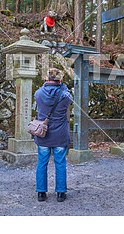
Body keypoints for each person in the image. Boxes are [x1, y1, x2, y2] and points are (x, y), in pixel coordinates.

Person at [34, 68, 73, 202]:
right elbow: (67, 93)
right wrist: (61, 85)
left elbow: (41, 93)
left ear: (46, 79)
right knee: (60, 163)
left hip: (43, 133)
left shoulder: (38, 93)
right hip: (60, 134)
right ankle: (60, 193)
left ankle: (41, 193)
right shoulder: (65, 95)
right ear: (60, 80)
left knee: (42, 163)